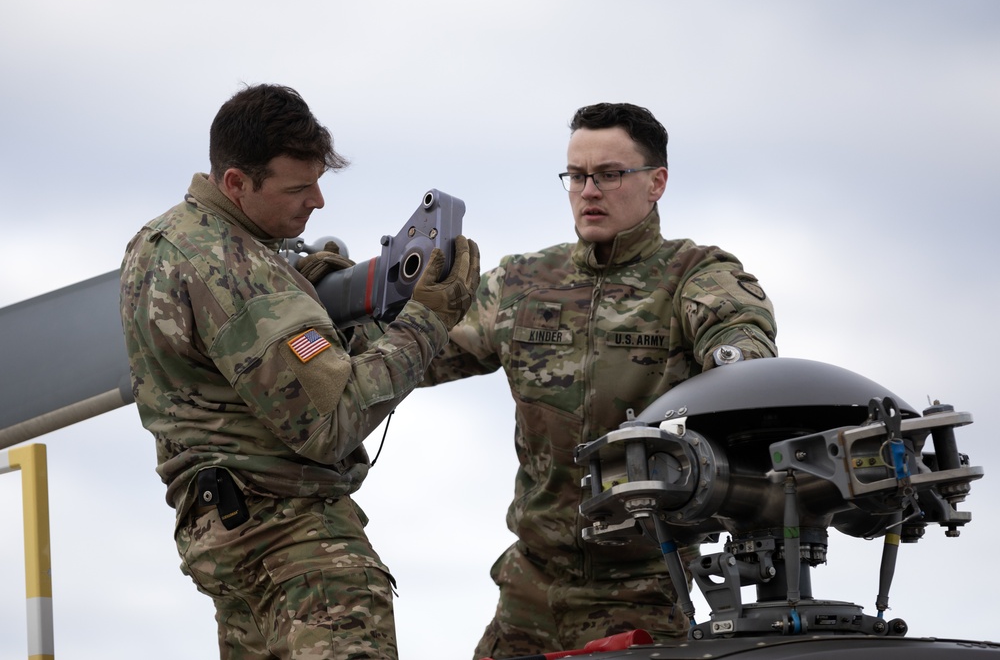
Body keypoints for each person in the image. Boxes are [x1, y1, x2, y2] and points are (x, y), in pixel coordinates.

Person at [119, 83, 480, 659]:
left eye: (318, 181)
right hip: (299, 552)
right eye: (298, 187)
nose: (317, 201)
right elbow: (329, 422)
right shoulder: (236, 267)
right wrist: (428, 318)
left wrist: (303, 291)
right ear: (236, 182)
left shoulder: (160, 242)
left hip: (230, 544)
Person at [421, 102, 778, 658]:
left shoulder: (695, 275)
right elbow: (410, 357)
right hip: (529, 588)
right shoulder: (521, 282)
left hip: (648, 588)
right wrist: (308, 325)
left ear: (656, 181)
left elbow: (744, 360)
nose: (589, 190)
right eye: (576, 176)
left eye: (610, 174)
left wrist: (735, 360)